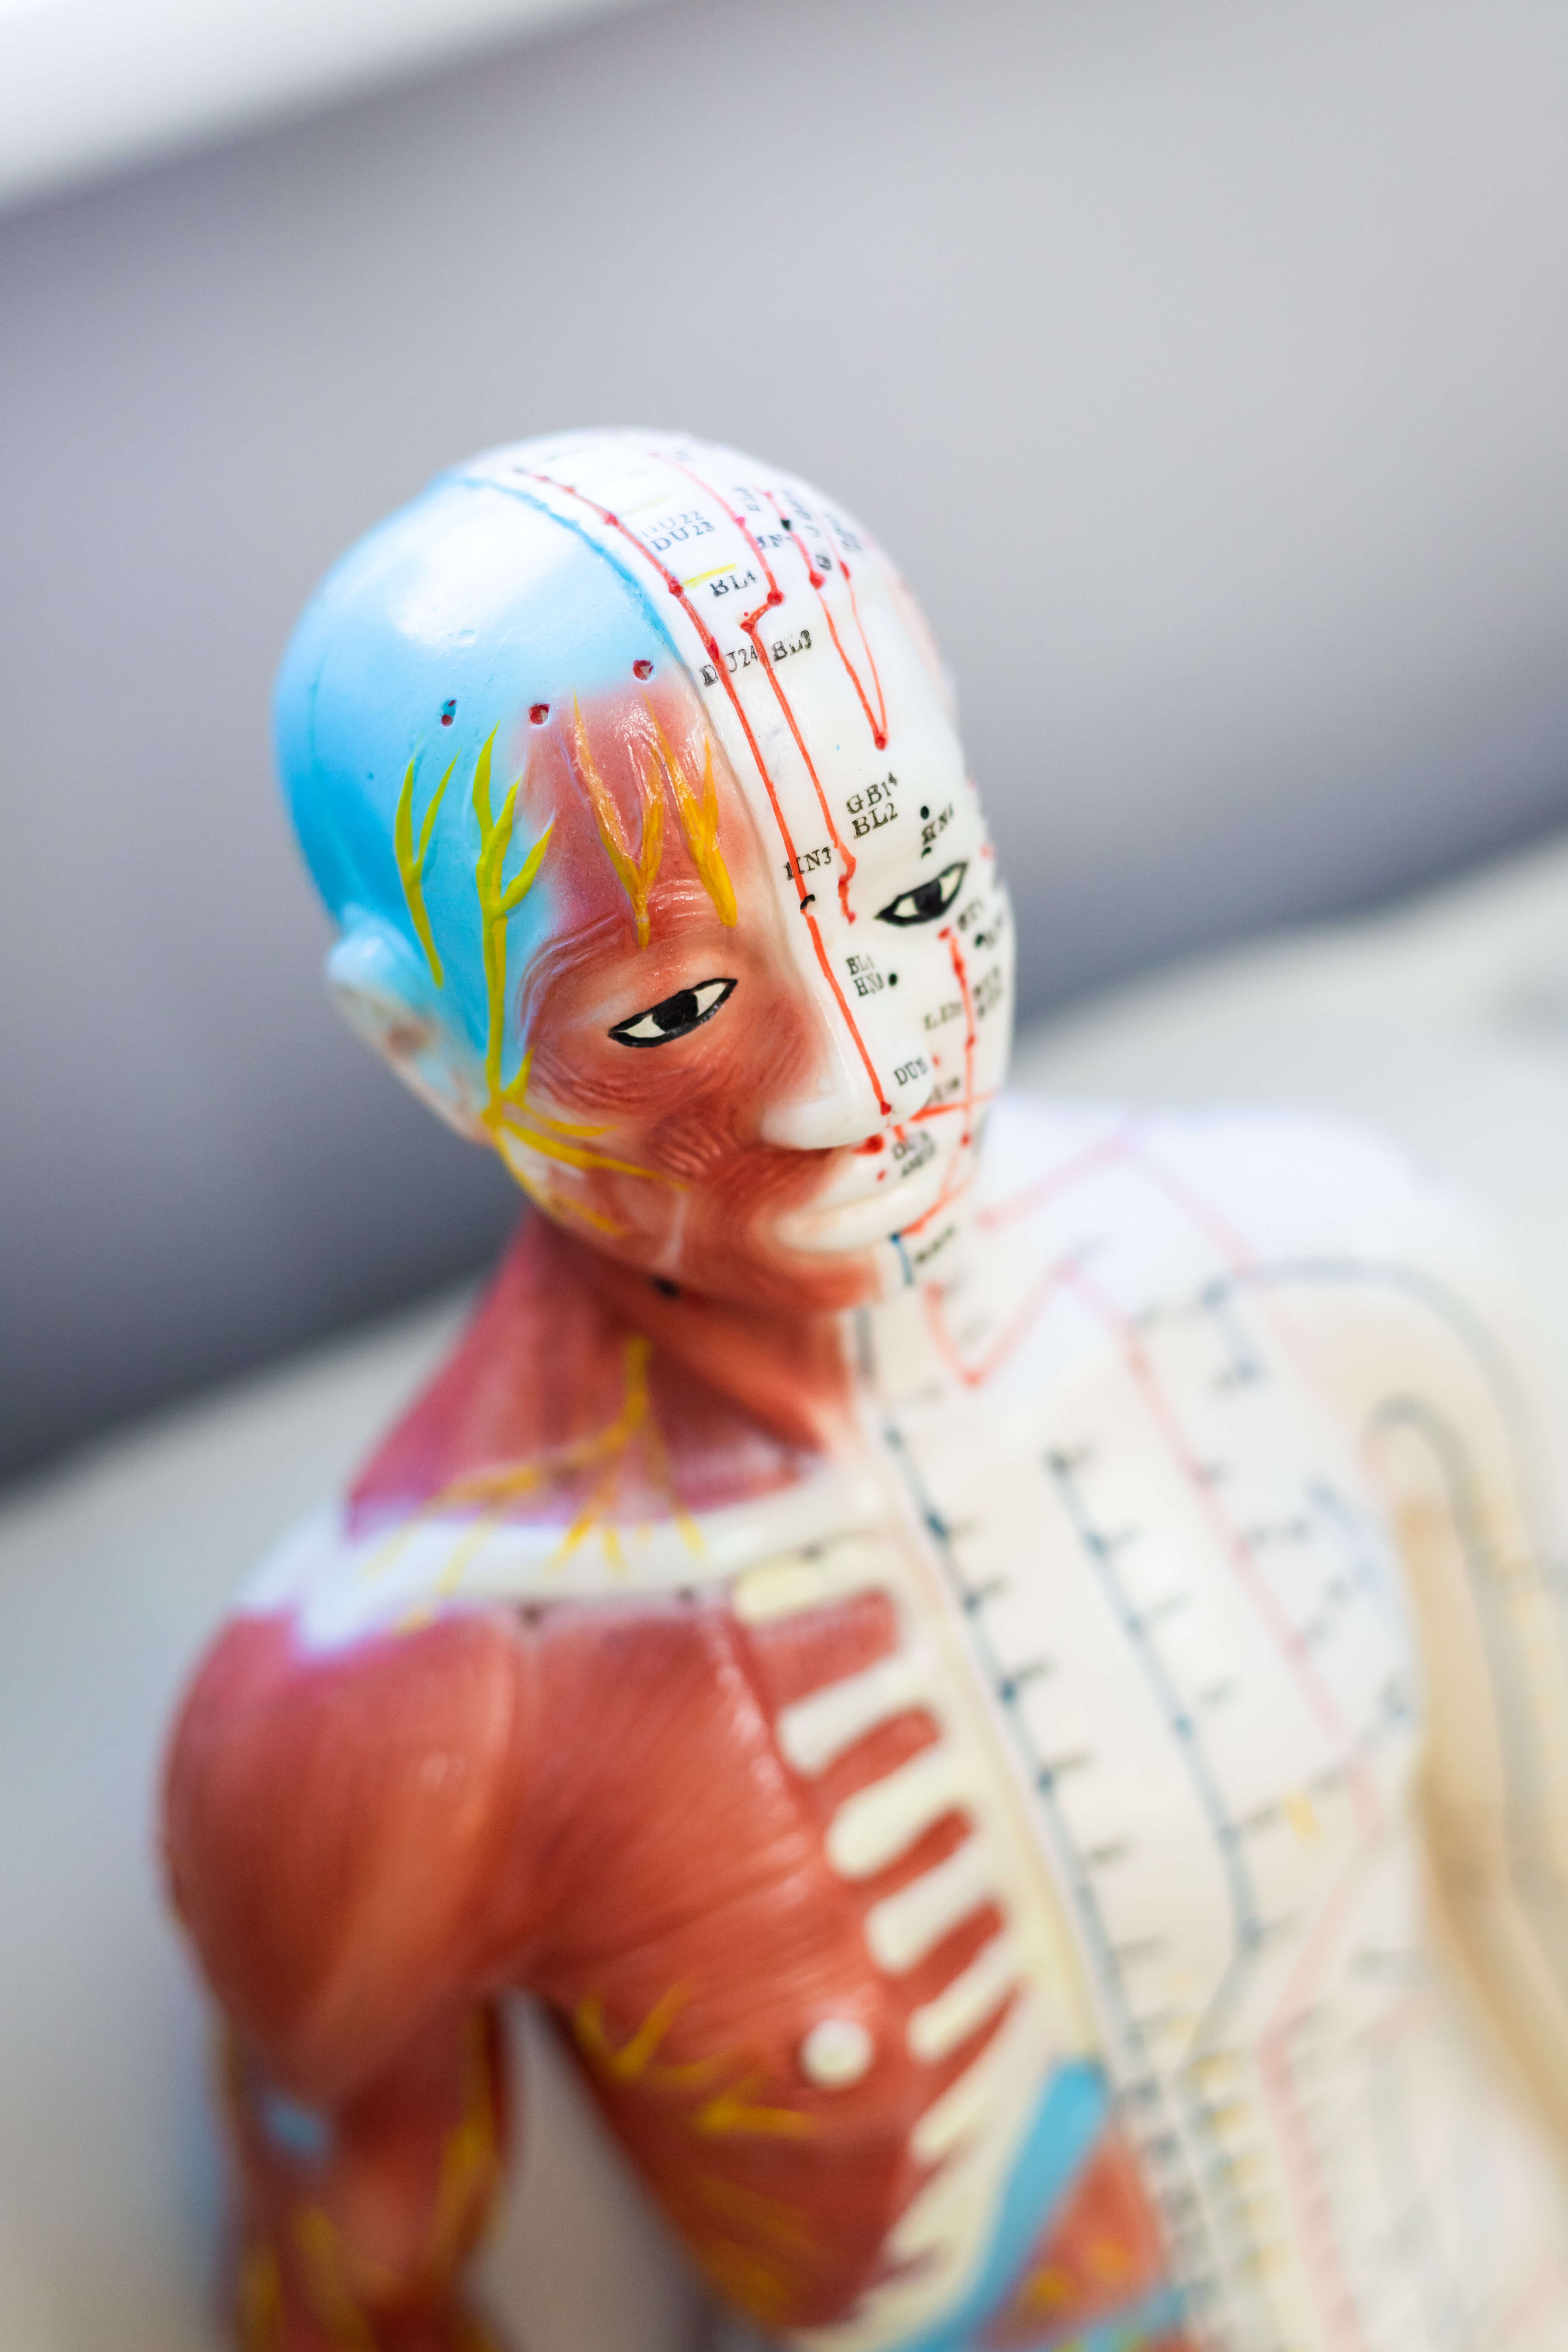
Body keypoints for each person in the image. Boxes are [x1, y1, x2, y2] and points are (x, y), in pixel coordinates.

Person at [164, 432, 1568, 2352]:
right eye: (665, 1012)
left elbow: (1538, 1898)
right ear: (420, 1041)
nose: (854, 1087)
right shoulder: (381, 1718)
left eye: (907, 891)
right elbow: (354, 2286)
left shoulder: (1344, 1280)